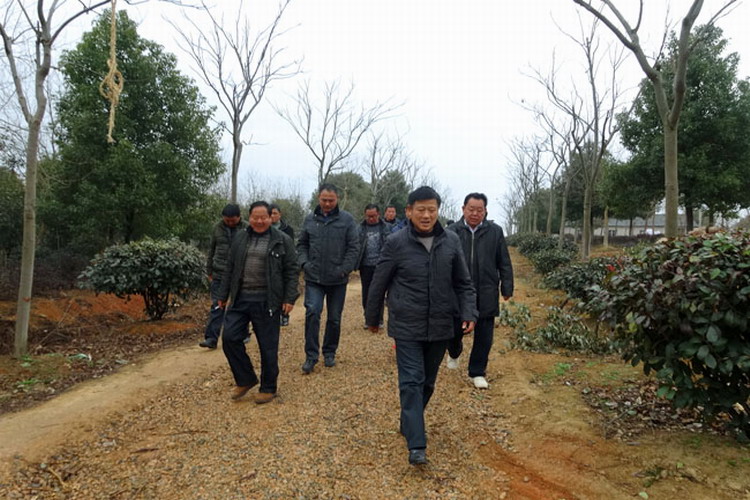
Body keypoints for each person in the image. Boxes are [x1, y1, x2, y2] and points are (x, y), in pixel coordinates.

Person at [365, 186, 477, 466]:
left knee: (427, 382)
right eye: (421, 210)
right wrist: (372, 318)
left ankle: (409, 420)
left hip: (440, 324)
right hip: (407, 324)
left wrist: (469, 312)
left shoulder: (451, 241)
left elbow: (463, 283)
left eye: (431, 210)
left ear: (438, 211)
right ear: (409, 211)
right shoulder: (396, 242)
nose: (426, 215)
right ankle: (417, 444)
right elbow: (379, 282)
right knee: (412, 381)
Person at [217, 201, 299, 403]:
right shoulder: (240, 237)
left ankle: (268, 387)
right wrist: (223, 294)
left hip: (267, 300)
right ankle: (245, 379)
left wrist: (289, 298)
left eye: (264, 217)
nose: (259, 221)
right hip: (241, 298)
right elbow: (230, 267)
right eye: (255, 217)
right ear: (249, 218)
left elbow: (291, 270)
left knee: (267, 346)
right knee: (229, 338)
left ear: (271, 218)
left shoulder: (282, 240)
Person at [446, 193, 514, 389]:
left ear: (485, 211)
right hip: (458, 290)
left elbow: (504, 261)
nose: (475, 213)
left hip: (486, 289)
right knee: (454, 329)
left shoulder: (495, 231)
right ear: (463, 209)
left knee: (484, 334)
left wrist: (507, 286)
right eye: (471, 209)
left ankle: (477, 371)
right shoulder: (451, 232)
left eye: (479, 210)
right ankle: (454, 351)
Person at [297, 183, 360, 374]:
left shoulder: (347, 220)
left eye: (331, 200)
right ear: (318, 198)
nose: (327, 204)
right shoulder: (310, 219)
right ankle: (311, 356)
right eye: (324, 200)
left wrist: (344, 269)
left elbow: (354, 247)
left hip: (337, 279)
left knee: (334, 318)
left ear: (337, 199)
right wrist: (304, 264)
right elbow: (302, 245)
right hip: (314, 277)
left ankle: (329, 352)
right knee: (312, 312)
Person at [200, 203, 247, 349]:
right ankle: (211, 338)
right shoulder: (217, 228)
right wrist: (209, 270)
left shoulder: (247, 228)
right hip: (219, 272)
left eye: (233, 220)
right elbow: (211, 250)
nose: (230, 223)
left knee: (240, 305)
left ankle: (243, 333)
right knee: (217, 305)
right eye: (227, 220)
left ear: (239, 217)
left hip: (240, 274)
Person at [357, 203, 390, 329]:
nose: (371, 219)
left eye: (373, 216)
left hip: (380, 265)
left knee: (379, 292)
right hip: (365, 266)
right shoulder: (360, 228)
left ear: (378, 215)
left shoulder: (385, 228)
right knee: (366, 293)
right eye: (368, 216)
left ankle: (379, 319)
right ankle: (368, 318)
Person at [270, 203, 295, 327]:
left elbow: (291, 247)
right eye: (270, 213)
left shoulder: (287, 229)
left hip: (283, 261)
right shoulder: (264, 229)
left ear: (280, 214)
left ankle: (284, 314)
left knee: (284, 289)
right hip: (271, 263)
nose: (272, 216)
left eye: (275, 213)